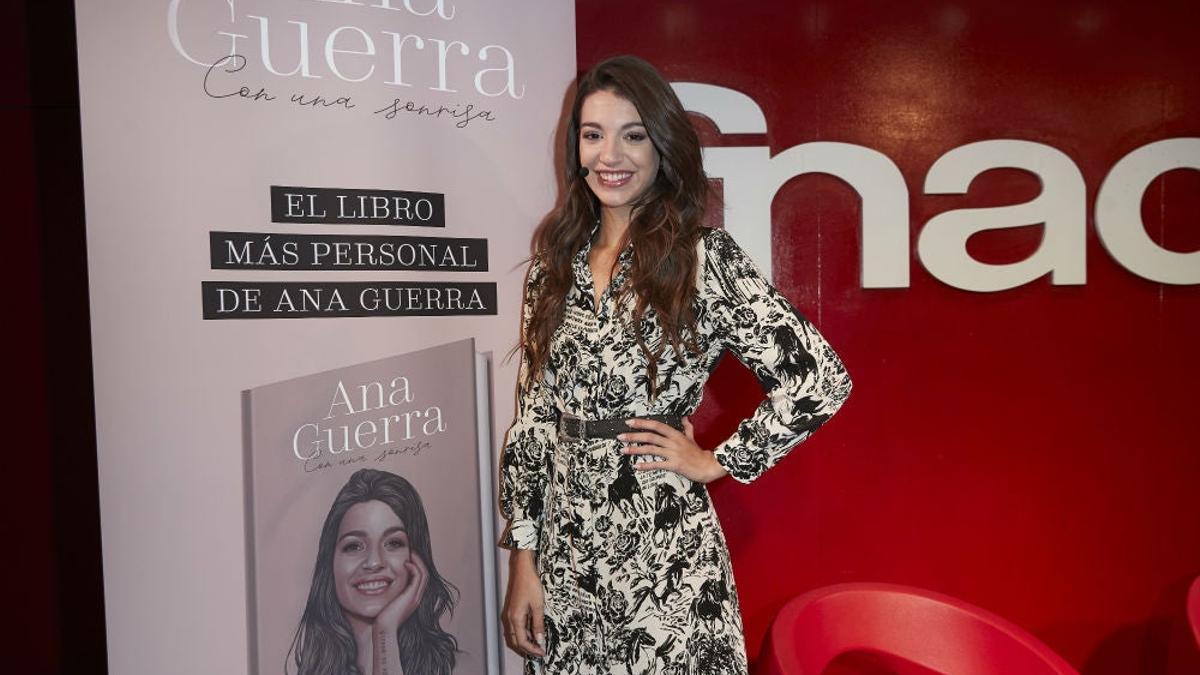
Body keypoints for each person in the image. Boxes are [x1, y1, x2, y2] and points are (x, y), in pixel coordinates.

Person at [498, 55, 853, 675]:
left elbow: (818, 378)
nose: (611, 155)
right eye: (593, 134)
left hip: (664, 555)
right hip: (566, 553)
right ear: (575, 149)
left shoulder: (700, 258)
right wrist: (523, 556)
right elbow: (533, 418)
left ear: (663, 146)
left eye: (633, 134)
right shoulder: (554, 266)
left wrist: (718, 460)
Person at [288, 468, 458, 675]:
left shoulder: (458, 668)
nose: (374, 562)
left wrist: (385, 631)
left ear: (417, 559)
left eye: (393, 543)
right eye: (354, 546)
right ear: (330, 563)